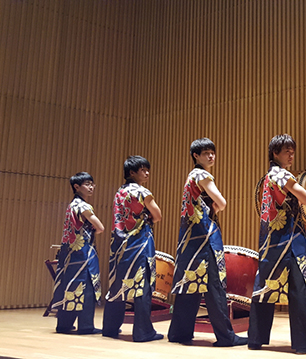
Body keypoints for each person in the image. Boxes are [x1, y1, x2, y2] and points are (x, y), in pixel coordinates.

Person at [247, 134, 306, 354]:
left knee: (264, 287)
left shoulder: (267, 177)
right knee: (298, 290)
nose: (291, 155)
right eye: (286, 151)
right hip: (289, 240)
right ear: (275, 153)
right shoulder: (281, 175)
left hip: (271, 241)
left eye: (292, 150)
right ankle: (303, 343)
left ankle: (255, 339)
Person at [168, 138, 248, 346]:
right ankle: (226, 336)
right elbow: (221, 201)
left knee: (189, 285)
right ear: (196, 156)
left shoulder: (190, 177)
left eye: (212, 152)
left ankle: (179, 333)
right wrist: (218, 206)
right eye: (205, 153)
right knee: (214, 287)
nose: (211, 156)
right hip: (205, 237)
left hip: (190, 238)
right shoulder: (202, 174)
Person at [102, 155, 164, 342]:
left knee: (118, 285)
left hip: (120, 246)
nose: (147, 173)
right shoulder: (142, 191)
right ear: (132, 172)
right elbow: (158, 215)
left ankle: (110, 328)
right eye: (143, 169)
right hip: (139, 244)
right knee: (141, 287)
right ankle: (143, 332)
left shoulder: (119, 192)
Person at [51, 172, 105, 335]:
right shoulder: (84, 206)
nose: (91, 187)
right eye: (87, 184)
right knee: (87, 287)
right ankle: (86, 326)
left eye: (92, 184)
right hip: (83, 253)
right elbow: (100, 227)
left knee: (70, 286)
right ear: (76, 187)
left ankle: (64, 325)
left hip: (69, 253)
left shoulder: (71, 205)